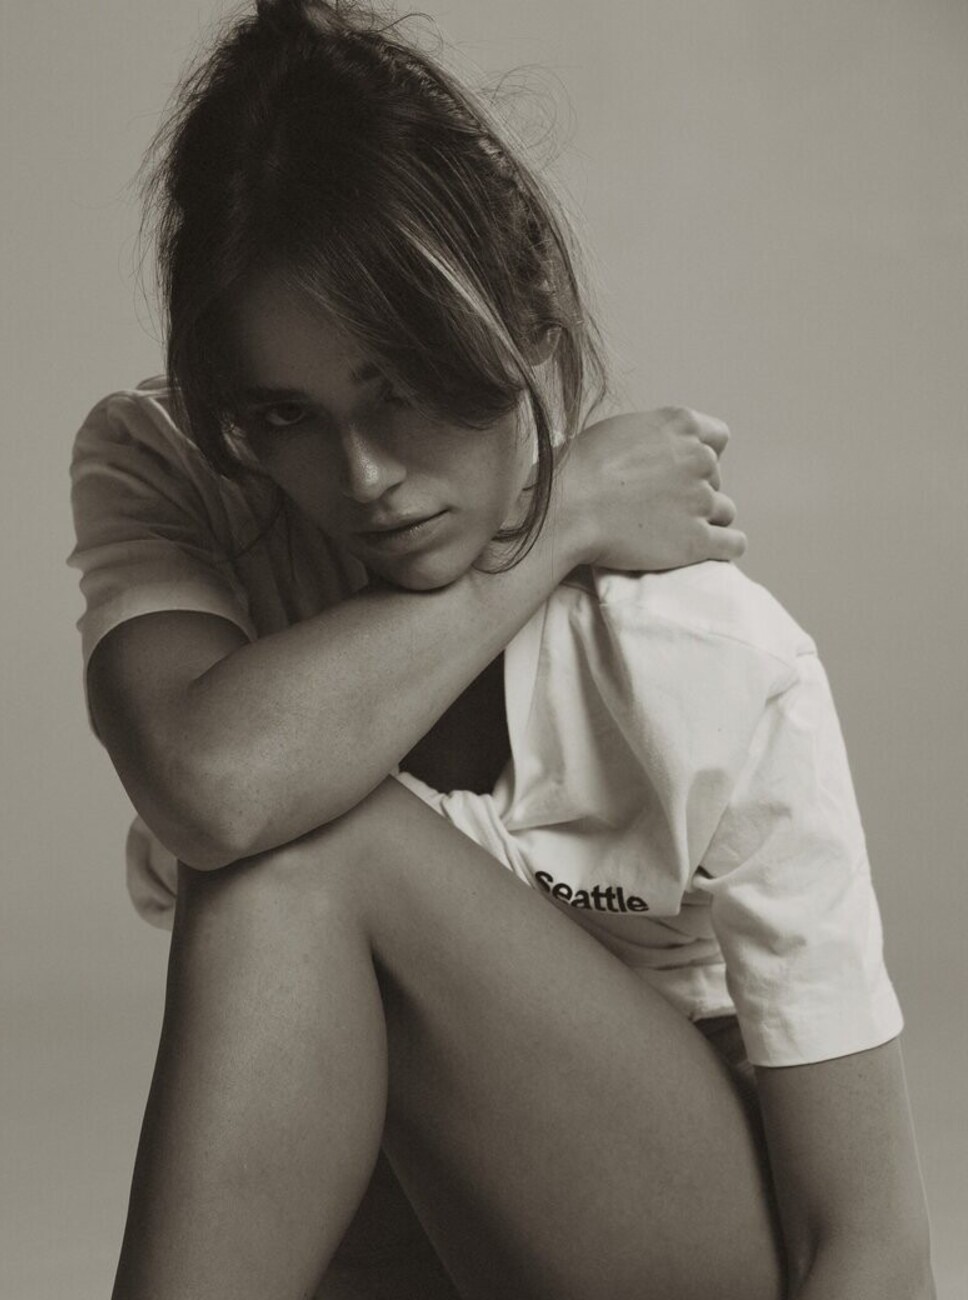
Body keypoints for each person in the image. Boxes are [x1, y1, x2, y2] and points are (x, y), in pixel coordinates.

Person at [67, 1, 935, 1296]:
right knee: (281, 815)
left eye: (400, 387)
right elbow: (213, 778)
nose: (365, 477)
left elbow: (875, 1241)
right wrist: (556, 523)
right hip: (411, 1217)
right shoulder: (189, 486)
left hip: (682, 1229)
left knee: (307, 842)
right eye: (287, 415)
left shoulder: (702, 657)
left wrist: (547, 545)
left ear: (527, 319)